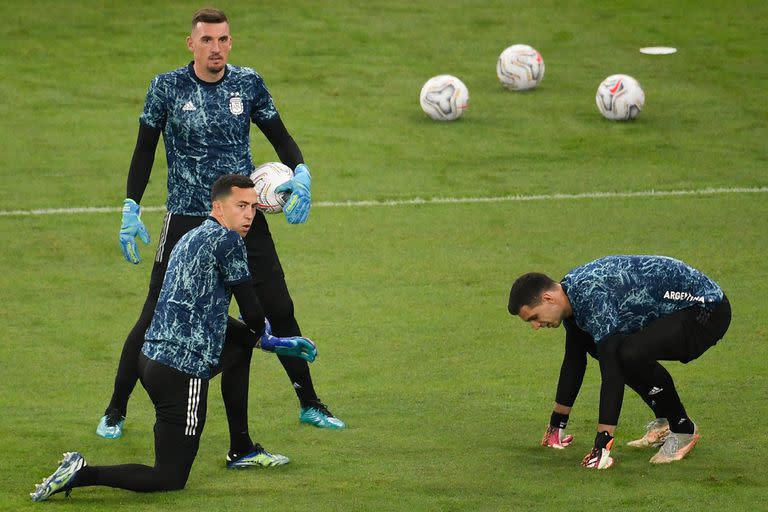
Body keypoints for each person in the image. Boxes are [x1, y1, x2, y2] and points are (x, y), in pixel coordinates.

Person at [100, 7, 344, 439]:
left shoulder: (247, 83)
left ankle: (310, 403)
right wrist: (130, 206)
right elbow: (143, 151)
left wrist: (301, 170)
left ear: (230, 43)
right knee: (154, 315)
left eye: (223, 40)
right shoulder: (167, 87)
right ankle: (116, 409)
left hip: (244, 218)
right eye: (207, 40)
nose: (216, 48)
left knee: (280, 309)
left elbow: (280, 136)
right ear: (191, 43)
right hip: (188, 221)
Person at [31, 175, 319, 502]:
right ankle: (81, 472)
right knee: (168, 477)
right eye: (241, 206)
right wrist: (276, 341)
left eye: (253, 206)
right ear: (218, 207)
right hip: (182, 374)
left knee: (239, 349)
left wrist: (264, 342)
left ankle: (241, 448)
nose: (249, 215)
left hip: (150, 361)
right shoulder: (229, 242)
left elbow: (213, 316)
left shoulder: (188, 238)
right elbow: (252, 314)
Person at [507, 255, 731, 469]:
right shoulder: (570, 296)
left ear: (548, 299)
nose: (535, 326)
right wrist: (557, 425)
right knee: (601, 347)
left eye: (534, 317)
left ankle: (683, 429)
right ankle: (665, 421)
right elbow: (574, 360)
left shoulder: (591, 296)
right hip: (675, 310)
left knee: (627, 354)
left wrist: (602, 446)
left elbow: (611, 374)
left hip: (706, 311)